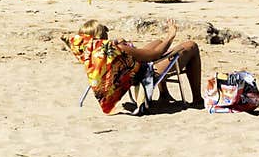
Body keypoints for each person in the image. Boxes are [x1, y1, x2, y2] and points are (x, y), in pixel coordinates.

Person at [68, 18, 203, 114]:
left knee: (158, 41)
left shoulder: (91, 52)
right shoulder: (118, 49)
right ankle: (197, 99)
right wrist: (171, 35)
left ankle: (164, 95)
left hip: (121, 77)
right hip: (143, 76)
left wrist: (116, 43)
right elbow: (155, 54)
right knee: (191, 46)